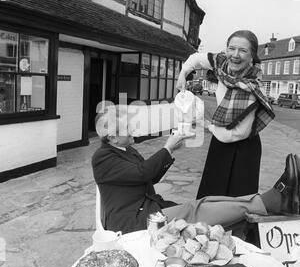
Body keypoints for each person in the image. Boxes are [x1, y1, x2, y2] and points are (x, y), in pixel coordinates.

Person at [92, 109, 299, 234]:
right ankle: (272, 201)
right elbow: (142, 173)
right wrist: (167, 148)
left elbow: (151, 178)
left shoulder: (125, 150)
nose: (132, 129)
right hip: (134, 223)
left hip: (147, 211)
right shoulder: (102, 158)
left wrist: (171, 153)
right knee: (195, 210)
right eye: (126, 128)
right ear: (112, 138)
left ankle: (269, 201)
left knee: (205, 203)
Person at [176, 30, 276, 202]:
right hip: (220, 141)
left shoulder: (251, 87)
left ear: (252, 55)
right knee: (211, 196)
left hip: (244, 146)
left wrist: (205, 123)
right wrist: (182, 74)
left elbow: (236, 134)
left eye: (243, 50)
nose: (235, 55)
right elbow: (195, 58)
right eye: (232, 48)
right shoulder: (221, 64)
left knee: (238, 204)